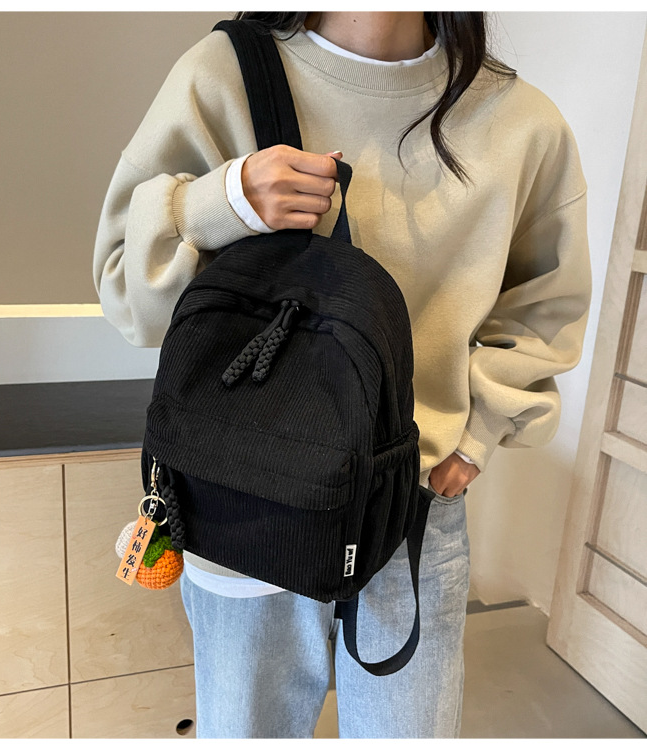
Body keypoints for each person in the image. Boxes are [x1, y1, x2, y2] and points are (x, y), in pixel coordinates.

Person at [93, 11, 592, 739]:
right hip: (245, 497)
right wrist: (222, 202)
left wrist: (477, 434)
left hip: (414, 504)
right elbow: (124, 292)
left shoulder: (521, 123)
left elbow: (545, 302)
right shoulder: (224, 76)